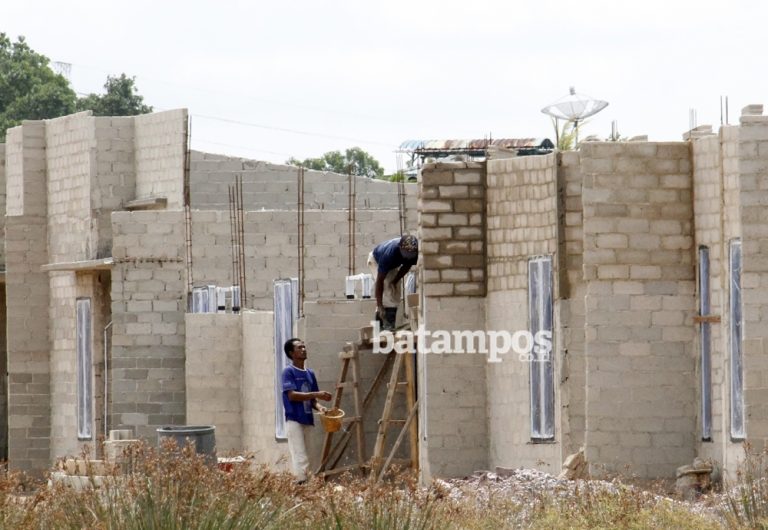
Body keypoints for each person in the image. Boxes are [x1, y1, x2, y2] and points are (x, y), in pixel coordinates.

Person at [282, 338, 332, 483]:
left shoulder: (310, 373)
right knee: (300, 457)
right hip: (294, 420)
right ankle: (301, 488)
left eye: (304, 347)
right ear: (291, 353)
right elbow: (292, 395)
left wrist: (321, 407)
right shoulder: (288, 372)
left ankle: (306, 488)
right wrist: (316, 394)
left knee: (310, 457)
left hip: (308, 419)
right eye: (299, 348)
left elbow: (312, 401)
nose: (303, 349)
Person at [368, 235, 418, 330]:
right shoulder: (389, 254)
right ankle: (381, 325)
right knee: (387, 288)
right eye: (406, 254)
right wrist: (379, 305)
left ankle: (390, 323)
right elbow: (380, 282)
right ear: (400, 248)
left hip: (392, 265)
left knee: (394, 291)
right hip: (376, 260)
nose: (408, 257)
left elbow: (406, 266)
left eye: (410, 255)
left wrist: (395, 281)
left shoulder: (414, 251)